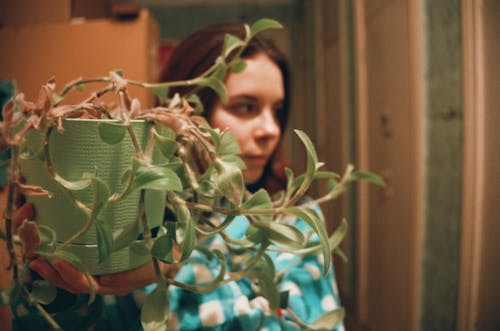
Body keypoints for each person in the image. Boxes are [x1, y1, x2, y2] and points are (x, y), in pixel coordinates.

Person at [3, 23, 345, 331]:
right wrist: (53, 272)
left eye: (278, 111)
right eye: (246, 106)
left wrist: (171, 268)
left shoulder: (294, 220)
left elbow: (306, 323)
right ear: (184, 114)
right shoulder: (132, 209)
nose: (271, 129)